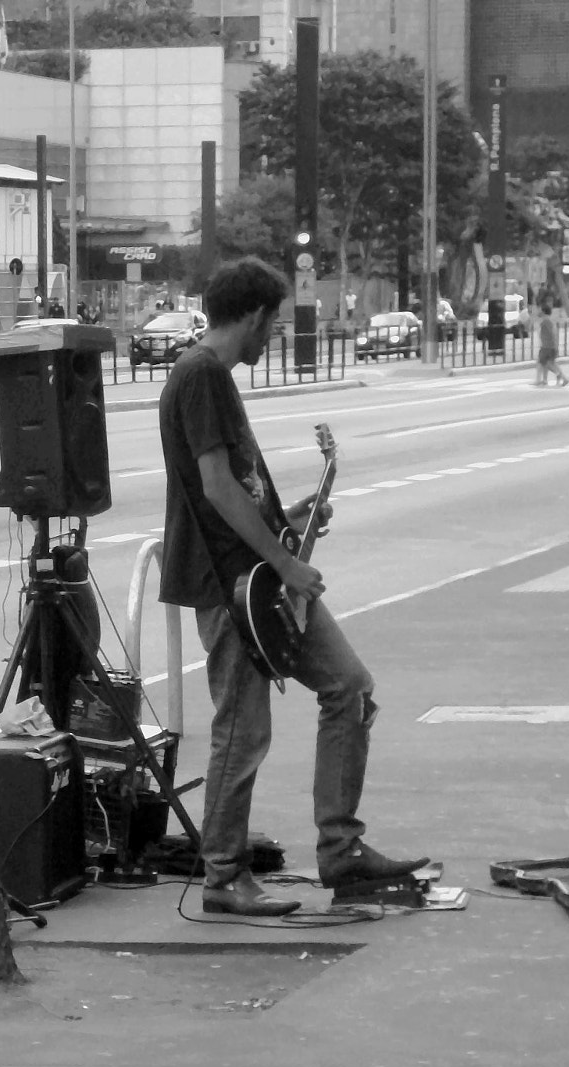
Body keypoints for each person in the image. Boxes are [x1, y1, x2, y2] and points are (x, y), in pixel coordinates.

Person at [158, 257, 429, 917]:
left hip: (258, 577)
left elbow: (235, 488)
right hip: (234, 587)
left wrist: (290, 522)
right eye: (273, 323)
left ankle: (342, 849)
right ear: (252, 316)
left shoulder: (213, 378)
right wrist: (285, 566)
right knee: (242, 730)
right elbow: (216, 487)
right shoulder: (200, 375)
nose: (273, 336)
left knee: (349, 686)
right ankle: (223, 876)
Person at [533, 301, 569, 386]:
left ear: (543, 311)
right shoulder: (549, 320)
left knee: (541, 363)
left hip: (546, 346)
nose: (538, 311)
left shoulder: (546, 321)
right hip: (550, 346)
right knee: (549, 363)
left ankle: (557, 375)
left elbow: (551, 333)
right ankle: (545, 380)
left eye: (540, 310)